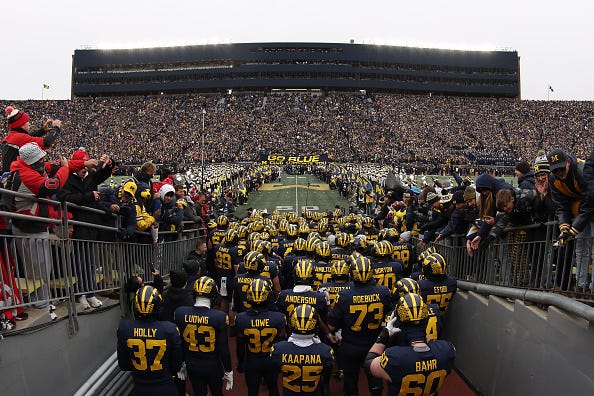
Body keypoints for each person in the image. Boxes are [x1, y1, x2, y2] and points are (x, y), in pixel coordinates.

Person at [8, 143, 81, 316]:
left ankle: (42, 301)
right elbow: (53, 185)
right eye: (40, 158)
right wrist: (64, 169)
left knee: (41, 268)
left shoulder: (29, 168)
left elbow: (54, 166)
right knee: (39, 269)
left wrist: (84, 164)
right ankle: (41, 305)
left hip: (33, 227)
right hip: (29, 229)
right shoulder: (26, 175)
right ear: (33, 160)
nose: (44, 160)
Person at [365, 293, 455, 396]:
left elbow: (369, 363)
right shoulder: (447, 350)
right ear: (426, 320)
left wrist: (384, 334)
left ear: (399, 323)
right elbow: (434, 348)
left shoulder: (395, 357)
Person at [328, 255, 392, 396]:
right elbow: (390, 316)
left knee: (350, 383)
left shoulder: (344, 295)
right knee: (375, 383)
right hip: (375, 346)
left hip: (351, 346)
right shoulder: (383, 292)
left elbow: (332, 327)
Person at [57, 148, 112, 310]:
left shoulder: (89, 178)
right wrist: (88, 197)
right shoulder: (66, 178)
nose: (84, 170)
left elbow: (103, 174)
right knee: (80, 263)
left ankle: (89, 293)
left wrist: (107, 164)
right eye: (81, 167)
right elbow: (64, 198)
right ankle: (80, 294)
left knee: (89, 264)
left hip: (90, 226)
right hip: (78, 225)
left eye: (86, 167)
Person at [117, 285, 183, 396]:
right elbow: (176, 365)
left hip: (140, 387)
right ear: (158, 307)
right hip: (165, 386)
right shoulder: (170, 329)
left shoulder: (125, 328)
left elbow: (124, 365)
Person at [174, 276, 233, 396]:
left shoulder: (180, 313)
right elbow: (224, 348)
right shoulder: (219, 317)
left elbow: (178, 343)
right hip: (213, 365)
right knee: (217, 393)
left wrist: (180, 363)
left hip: (192, 364)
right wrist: (228, 370)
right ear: (213, 295)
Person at [547, 148, 594, 293]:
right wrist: (564, 228)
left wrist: (574, 229)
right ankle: (581, 285)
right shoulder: (554, 180)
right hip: (581, 212)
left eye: (561, 168)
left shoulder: (581, 171)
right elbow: (561, 206)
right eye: (555, 171)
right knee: (580, 249)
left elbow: (590, 200)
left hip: (590, 208)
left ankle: (593, 289)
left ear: (568, 162)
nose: (559, 173)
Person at [236, 279, 286, 396]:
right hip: (271, 360)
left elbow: (240, 345)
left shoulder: (241, 319)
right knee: (273, 388)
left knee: (252, 391)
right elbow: (281, 342)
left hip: (252, 360)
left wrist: (240, 363)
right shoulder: (278, 318)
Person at [271, 304, 334, 395]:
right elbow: (325, 372)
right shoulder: (325, 351)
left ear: (291, 324)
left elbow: (277, 369)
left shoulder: (278, 349)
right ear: (315, 325)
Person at [2, 106, 61, 173]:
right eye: (27, 121)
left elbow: (28, 136)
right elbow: (46, 142)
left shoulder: (12, 136)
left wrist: (43, 130)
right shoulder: (19, 137)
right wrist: (56, 128)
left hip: (11, 174)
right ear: (21, 124)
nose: (29, 123)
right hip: (18, 176)